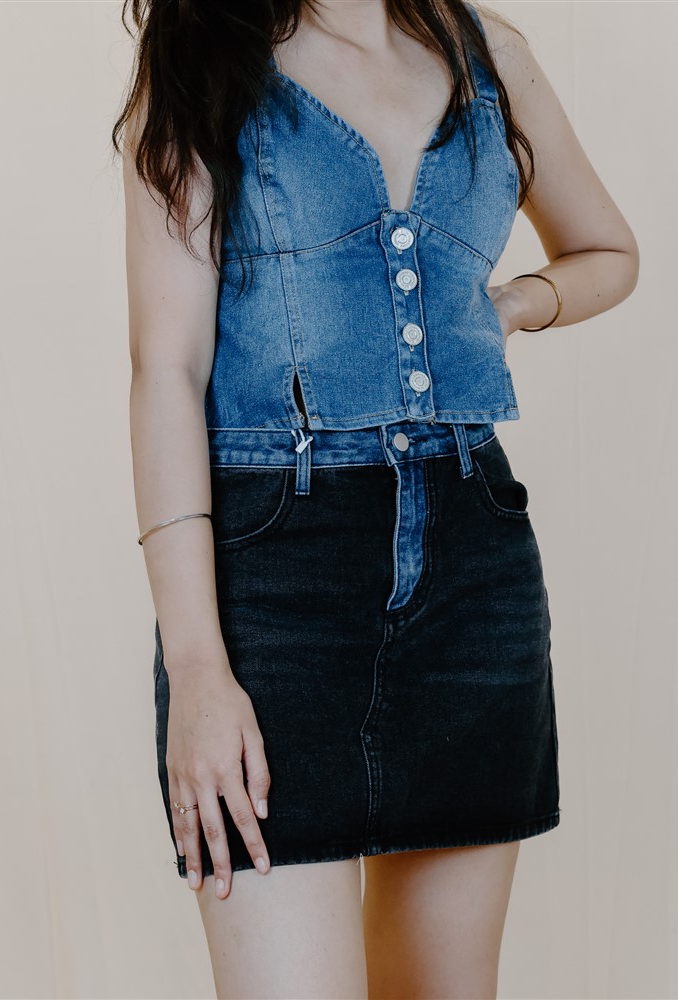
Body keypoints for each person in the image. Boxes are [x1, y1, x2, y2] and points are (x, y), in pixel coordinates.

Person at [113, 0, 638, 995]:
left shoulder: (488, 55)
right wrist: (196, 666)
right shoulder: (200, 56)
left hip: (474, 572)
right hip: (275, 592)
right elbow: (166, 369)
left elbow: (608, 251)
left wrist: (517, 304)